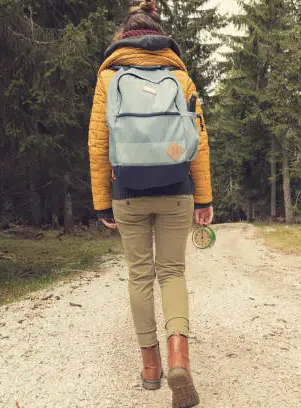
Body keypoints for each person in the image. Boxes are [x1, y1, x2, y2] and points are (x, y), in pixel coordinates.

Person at [87, 1, 213, 407]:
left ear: (123, 36)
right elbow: (199, 140)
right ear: (158, 34)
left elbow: (98, 144)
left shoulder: (110, 75)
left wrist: (102, 202)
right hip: (177, 186)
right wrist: (204, 196)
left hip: (127, 190)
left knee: (140, 276)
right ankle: (180, 357)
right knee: (172, 272)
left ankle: (151, 368)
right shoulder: (179, 74)